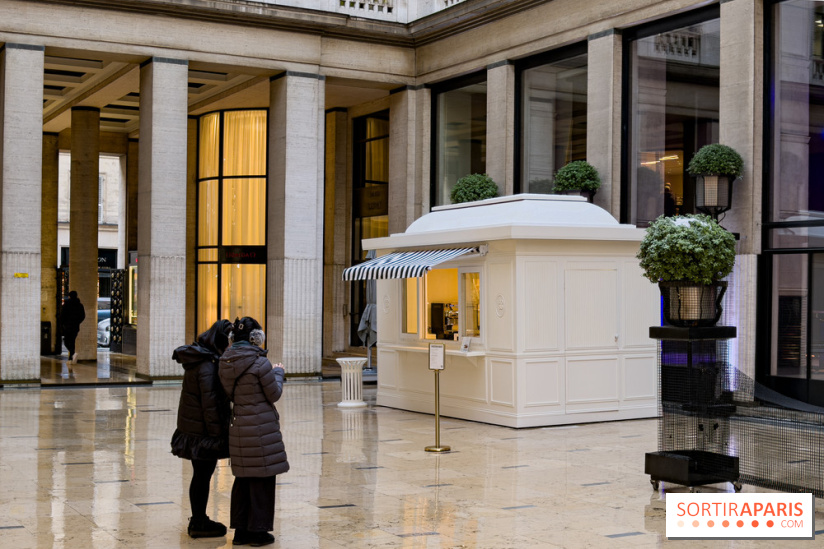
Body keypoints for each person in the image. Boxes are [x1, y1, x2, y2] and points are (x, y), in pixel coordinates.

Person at [219, 317, 288, 547]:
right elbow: (274, 394)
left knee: (243, 478)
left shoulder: (225, 362)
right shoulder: (261, 363)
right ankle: (258, 532)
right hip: (262, 428)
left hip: (239, 426)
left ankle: (240, 532)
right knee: (263, 478)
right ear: (255, 338)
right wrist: (278, 373)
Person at [171, 319, 233, 539]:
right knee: (202, 475)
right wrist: (217, 436)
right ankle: (198, 521)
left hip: (193, 428)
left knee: (200, 474)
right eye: (228, 342)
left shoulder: (199, 358)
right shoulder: (207, 364)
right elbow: (210, 403)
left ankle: (198, 518)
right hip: (202, 432)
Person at [60, 290, 85, 365]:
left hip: (67, 326)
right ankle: (71, 356)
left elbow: (62, 315)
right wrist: (77, 322)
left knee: (66, 341)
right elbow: (82, 316)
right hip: (75, 326)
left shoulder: (66, 304)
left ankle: (72, 354)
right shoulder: (79, 305)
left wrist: (63, 323)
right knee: (72, 341)